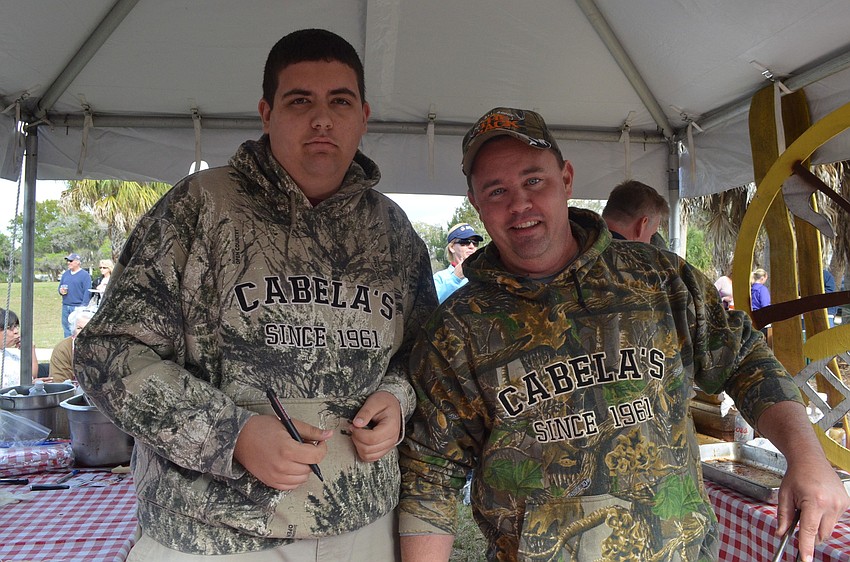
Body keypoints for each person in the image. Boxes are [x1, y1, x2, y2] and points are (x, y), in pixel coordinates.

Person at [397, 107, 848, 562]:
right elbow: (431, 473)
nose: (519, 205)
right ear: (476, 202)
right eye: (496, 191)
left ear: (567, 179)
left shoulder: (658, 279)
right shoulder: (457, 328)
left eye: (534, 180)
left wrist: (806, 457)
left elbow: (745, 360)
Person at [74, 29, 436, 561]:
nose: (322, 118)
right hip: (211, 534)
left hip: (360, 527)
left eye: (340, 101)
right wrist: (232, 436)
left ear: (364, 115)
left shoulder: (393, 231)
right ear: (266, 113)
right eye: (300, 101)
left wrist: (399, 399)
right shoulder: (199, 209)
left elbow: (422, 356)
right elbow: (106, 353)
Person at [601, 179, 669, 243]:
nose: (650, 242)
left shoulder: (592, 240)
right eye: (651, 236)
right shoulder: (630, 254)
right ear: (641, 225)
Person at [433, 223, 484, 304]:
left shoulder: (483, 275)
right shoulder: (439, 278)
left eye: (475, 243)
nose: (471, 246)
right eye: (465, 242)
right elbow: (432, 305)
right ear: (452, 247)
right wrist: (455, 278)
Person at [49, 308, 95, 383]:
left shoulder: (107, 347)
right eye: (79, 328)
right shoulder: (63, 348)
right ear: (73, 330)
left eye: (89, 328)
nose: (83, 332)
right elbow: (60, 383)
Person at [1, 308, 40, 389]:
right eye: (9, 328)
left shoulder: (11, 356)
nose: (16, 331)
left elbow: (32, 375)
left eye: (16, 327)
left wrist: (31, 350)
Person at [58, 252, 92, 337]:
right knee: (66, 329)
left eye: (71, 261)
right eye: (68, 261)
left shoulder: (85, 275)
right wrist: (60, 291)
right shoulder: (65, 274)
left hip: (77, 307)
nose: (68, 263)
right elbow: (60, 287)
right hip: (66, 306)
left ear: (77, 262)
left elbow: (87, 292)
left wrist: (83, 307)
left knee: (76, 329)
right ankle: (67, 348)